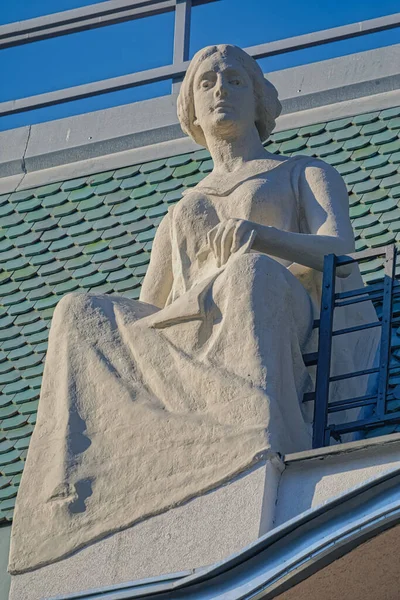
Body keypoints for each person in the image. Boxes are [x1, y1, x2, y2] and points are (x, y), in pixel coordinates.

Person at [9, 44, 379, 574]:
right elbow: (146, 312)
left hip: (273, 306)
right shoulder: (183, 208)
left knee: (246, 274)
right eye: (206, 83)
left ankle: (252, 431)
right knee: (78, 311)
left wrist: (265, 239)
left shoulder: (302, 172)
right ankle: (74, 487)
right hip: (194, 325)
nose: (220, 90)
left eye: (234, 80)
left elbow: (341, 252)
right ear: (193, 111)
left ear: (258, 100)